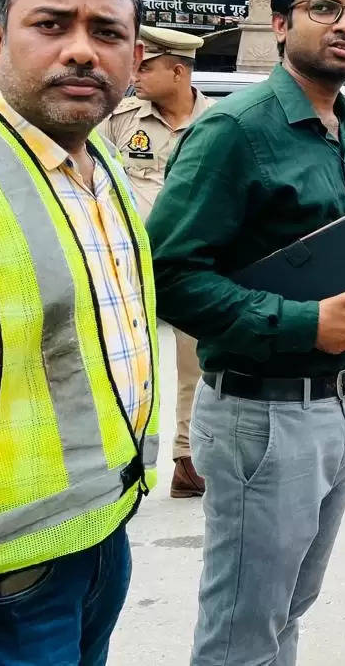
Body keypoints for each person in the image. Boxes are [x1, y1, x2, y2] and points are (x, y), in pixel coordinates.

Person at [148, 0, 345, 666]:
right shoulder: (235, 130)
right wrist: (303, 323)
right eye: (324, 9)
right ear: (279, 23)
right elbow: (170, 276)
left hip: (337, 406)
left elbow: (329, 241)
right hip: (260, 416)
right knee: (243, 627)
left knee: (287, 609)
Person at [0, 0, 159, 666]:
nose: (83, 51)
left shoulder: (104, 171)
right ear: (0, 37)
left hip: (101, 528)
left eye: (106, 32)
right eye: (51, 25)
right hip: (12, 566)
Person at [102, 25, 214, 498]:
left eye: (145, 66)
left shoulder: (219, 122)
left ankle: (187, 462)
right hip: (125, 269)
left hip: (192, 265)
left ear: (177, 70)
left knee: (197, 366)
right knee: (121, 364)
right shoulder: (121, 117)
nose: (135, 74)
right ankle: (115, 467)